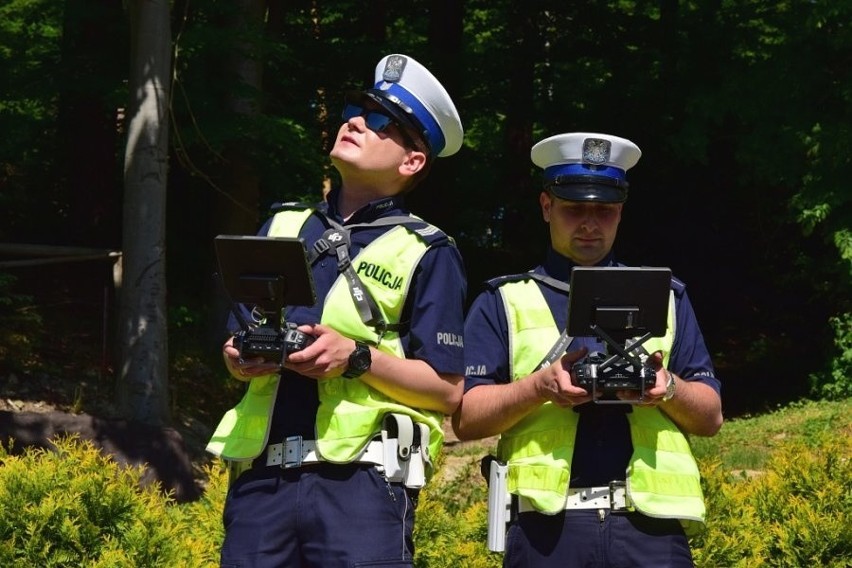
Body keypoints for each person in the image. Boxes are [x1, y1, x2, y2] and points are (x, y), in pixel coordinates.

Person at [207, 53, 467, 568]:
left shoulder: (428, 249)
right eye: (355, 109)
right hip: (263, 480)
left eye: (379, 123)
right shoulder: (281, 224)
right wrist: (241, 358)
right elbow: (233, 351)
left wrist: (356, 358)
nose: (355, 122)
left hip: (362, 486)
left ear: (412, 161)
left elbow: (448, 390)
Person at [452, 132, 723, 567]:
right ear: (546, 207)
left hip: (650, 527)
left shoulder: (668, 296)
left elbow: (711, 416)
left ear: (621, 211)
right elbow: (465, 418)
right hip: (547, 531)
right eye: (575, 208)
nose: (590, 223)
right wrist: (539, 387)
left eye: (605, 210)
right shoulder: (503, 300)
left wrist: (666, 387)